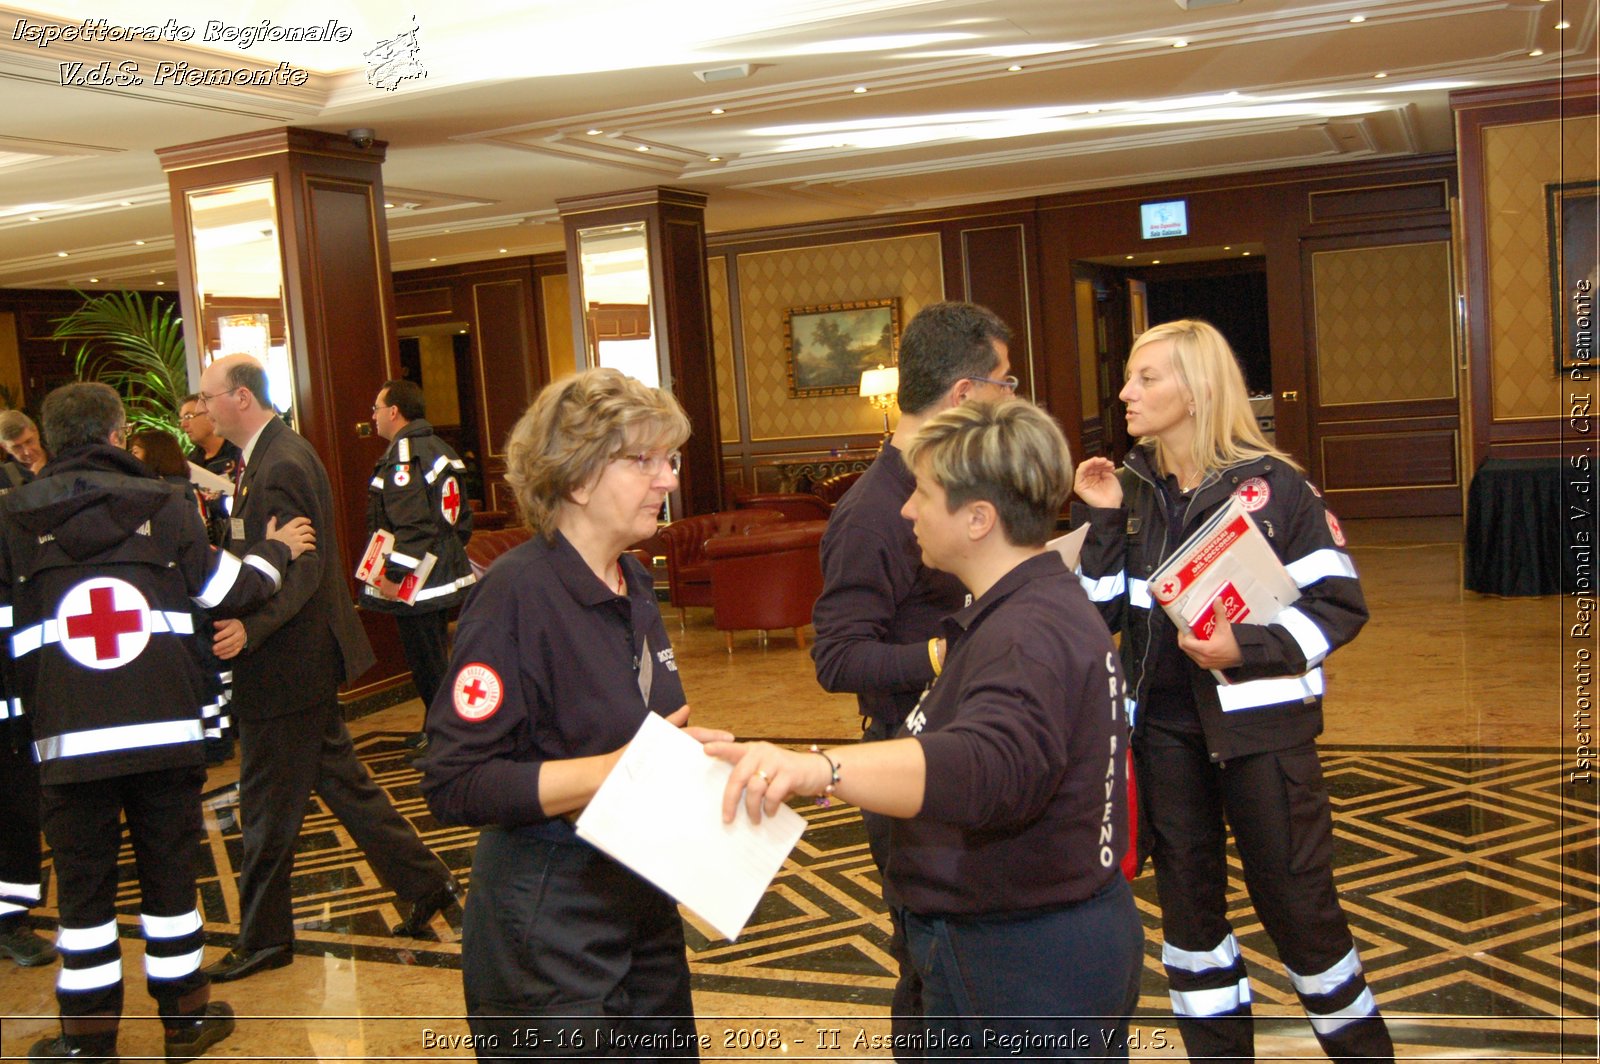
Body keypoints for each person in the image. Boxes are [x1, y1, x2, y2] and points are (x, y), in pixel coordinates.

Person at [708, 399, 1142, 1057]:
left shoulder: (1025, 634)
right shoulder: (1025, 610)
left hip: (1018, 966)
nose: (908, 509)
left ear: (978, 518)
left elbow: (984, 766)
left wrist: (817, 769)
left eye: (926, 493)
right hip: (1039, 947)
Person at [1073, 319, 1392, 1063]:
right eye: (1129, 377)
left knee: (1304, 920)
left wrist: (1244, 648)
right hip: (1164, 739)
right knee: (1189, 928)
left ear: (1199, 388)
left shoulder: (1278, 488)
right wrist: (1100, 521)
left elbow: (1340, 607)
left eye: (1147, 377)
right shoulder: (1135, 488)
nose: (1126, 392)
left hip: (1264, 739)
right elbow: (1098, 615)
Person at [0, 382, 316, 1063]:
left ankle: (87, 1042)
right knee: (172, 880)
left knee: (83, 895)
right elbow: (225, 589)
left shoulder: (12, 518)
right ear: (118, 436)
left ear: (49, 444)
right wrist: (278, 550)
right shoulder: (168, 504)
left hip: (65, 740)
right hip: (166, 734)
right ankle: (185, 1021)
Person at [421, 367, 724, 1057]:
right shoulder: (515, 596)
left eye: (668, 459)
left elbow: (637, 733)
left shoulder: (633, 578)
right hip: (547, 920)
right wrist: (619, 768)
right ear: (579, 478)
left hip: (639, 898)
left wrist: (692, 761)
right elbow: (454, 780)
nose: (668, 479)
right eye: (643, 460)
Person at [195, 355, 462, 984]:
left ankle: (264, 939)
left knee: (265, 808)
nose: (201, 410)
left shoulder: (281, 462)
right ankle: (426, 884)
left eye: (207, 398)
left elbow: (307, 570)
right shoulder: (266, 456)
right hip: (299, 659)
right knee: (344, 785)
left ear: (238, 397)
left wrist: (250, 628)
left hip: (288, 661)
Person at [809, 299, 1017, 1052]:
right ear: (965, 395)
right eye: (1005, 382)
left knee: (970, 961)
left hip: (963, 753)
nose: (1013, 398)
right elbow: (836, 657)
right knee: (928, 964)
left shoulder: (958, 482)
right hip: (904, 761)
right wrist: (948, 652)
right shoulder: (871, 514)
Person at [364, 378, 476, 756]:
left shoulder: (405, 455)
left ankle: (445, 737)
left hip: (421, 580)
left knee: (428, 663)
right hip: (444, 568)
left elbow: (412, 525)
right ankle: (438, 728)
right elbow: (463, 520)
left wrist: (394, 575)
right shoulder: (441, 447)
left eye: (377, 409)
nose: (374, 417)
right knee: (435, 658)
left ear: (394, 411)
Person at [129, 428, 236, 766]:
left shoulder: (171, 493)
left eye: (137, 451)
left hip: (187, 593)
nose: (131, 457)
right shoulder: (174, 489)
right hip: (188, 592)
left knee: (204, 668)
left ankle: (216, 742)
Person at [179, 393, 242, 548]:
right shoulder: (190, 463)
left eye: (188, 416)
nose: (183, 425)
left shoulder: (239, 453)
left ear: (209, 415)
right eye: (181, 419)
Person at [0, 409, 48, 475]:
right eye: (17, 447)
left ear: (36, 432)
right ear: (5, 447)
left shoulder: (61, 455)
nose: (27, 452)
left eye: (28, 441)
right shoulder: (6, 477)